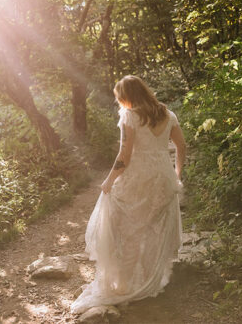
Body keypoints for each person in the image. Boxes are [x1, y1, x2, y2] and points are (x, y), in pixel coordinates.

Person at [71, 75, 187, 315]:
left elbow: (125, 155)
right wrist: (176, 174)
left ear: (127, 96)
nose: (119, 102)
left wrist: (108, 181)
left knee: (129, 230)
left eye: (119, 97)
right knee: (154, 229)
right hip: (163, 179)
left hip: (139, 179)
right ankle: (149, 281)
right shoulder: (168, 114)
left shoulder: (130, 116)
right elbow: (182, 146)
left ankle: (124, 286)